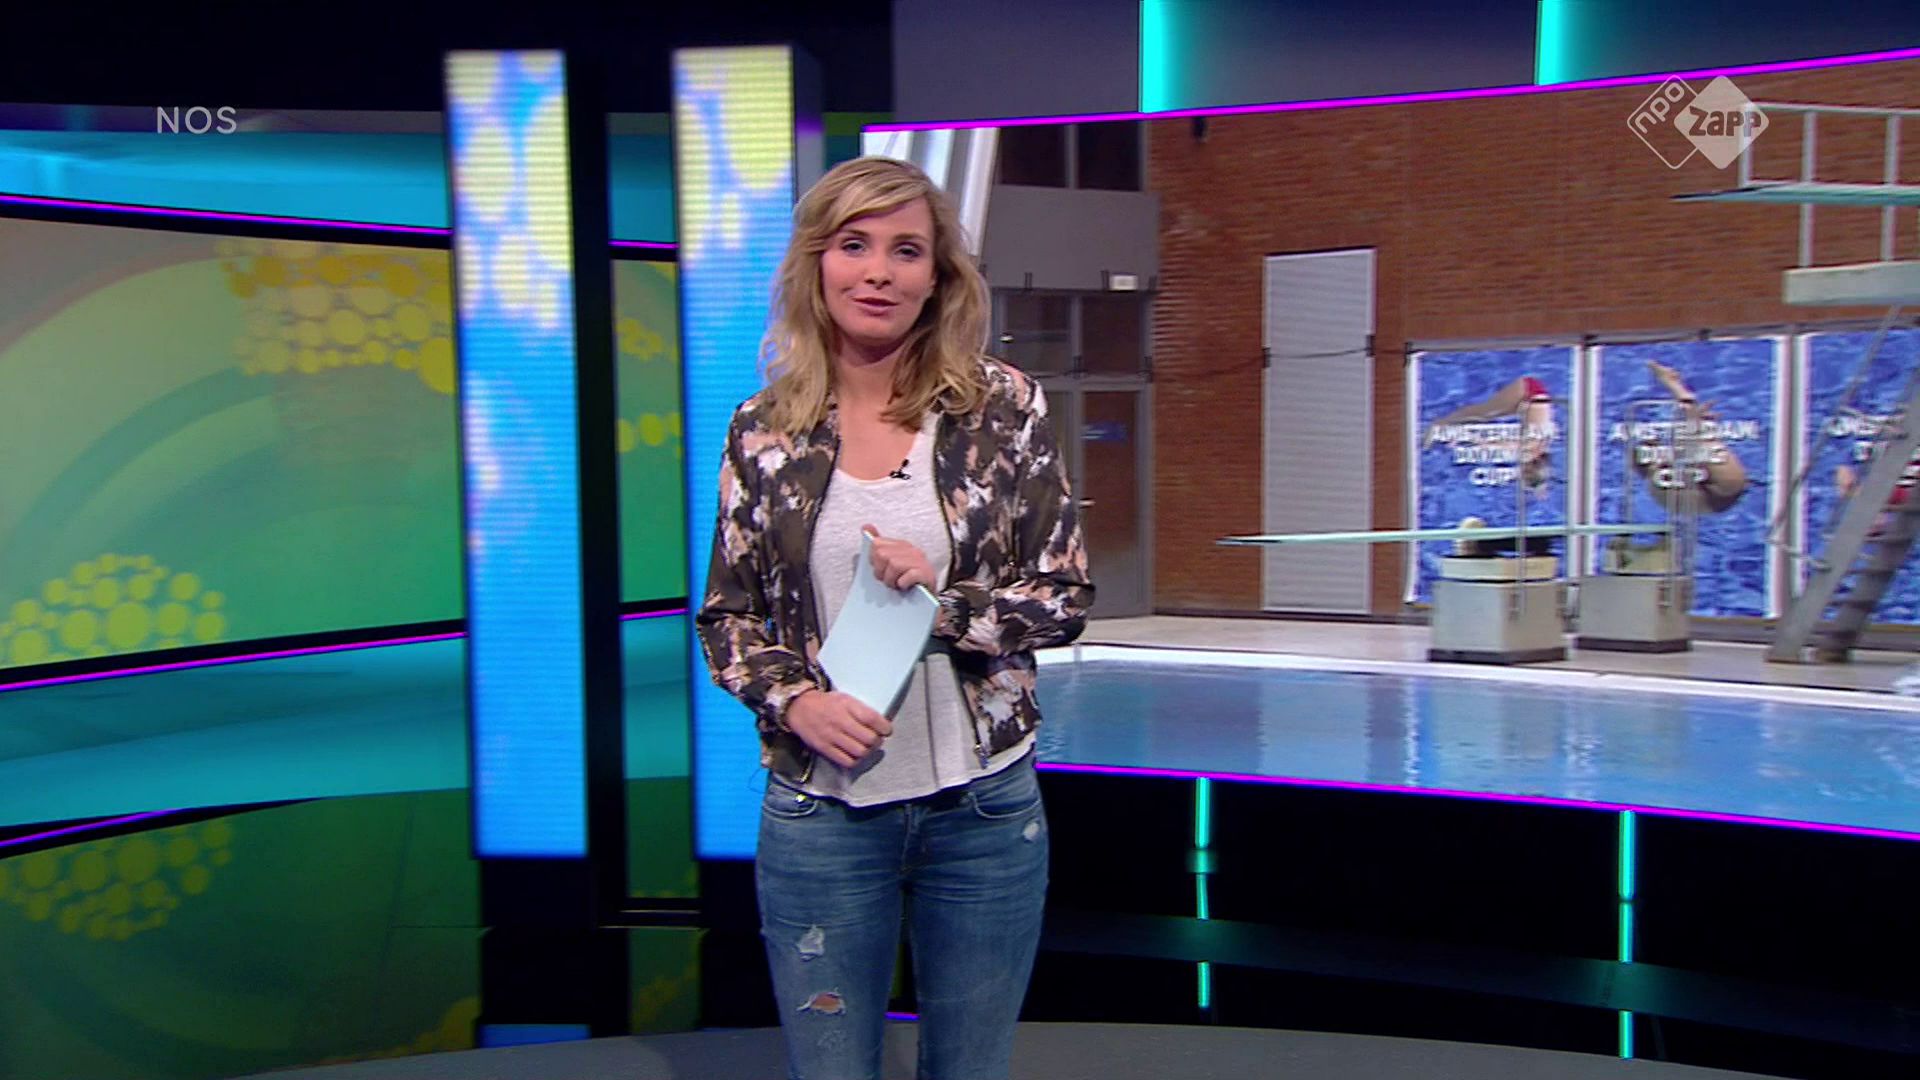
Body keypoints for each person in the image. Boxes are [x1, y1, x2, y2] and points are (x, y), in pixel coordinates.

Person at [696, 155, 1093, 1080]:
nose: (878, 271)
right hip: (823, 813)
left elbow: (1064, 596)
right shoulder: (763, 430)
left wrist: (944, 606)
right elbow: (727, 619)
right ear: (818, 263)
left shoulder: (1002, 409)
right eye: (854, 245)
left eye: (906, 250)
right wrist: (796, 701)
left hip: (984, 809)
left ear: (938, 276)